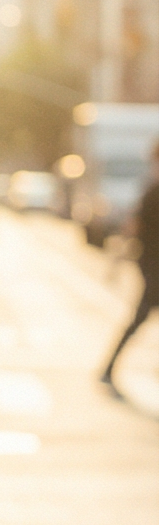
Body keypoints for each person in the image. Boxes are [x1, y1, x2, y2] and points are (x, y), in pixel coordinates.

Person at [101, 136, 159, 391]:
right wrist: (115, 262)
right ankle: (108, 367)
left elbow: (130, 228)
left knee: (140, 318)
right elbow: (132, 228)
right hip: (153, 266)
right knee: (140, 317)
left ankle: (109, 368)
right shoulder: (151, 192)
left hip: (149, 264)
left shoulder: (150, 189)